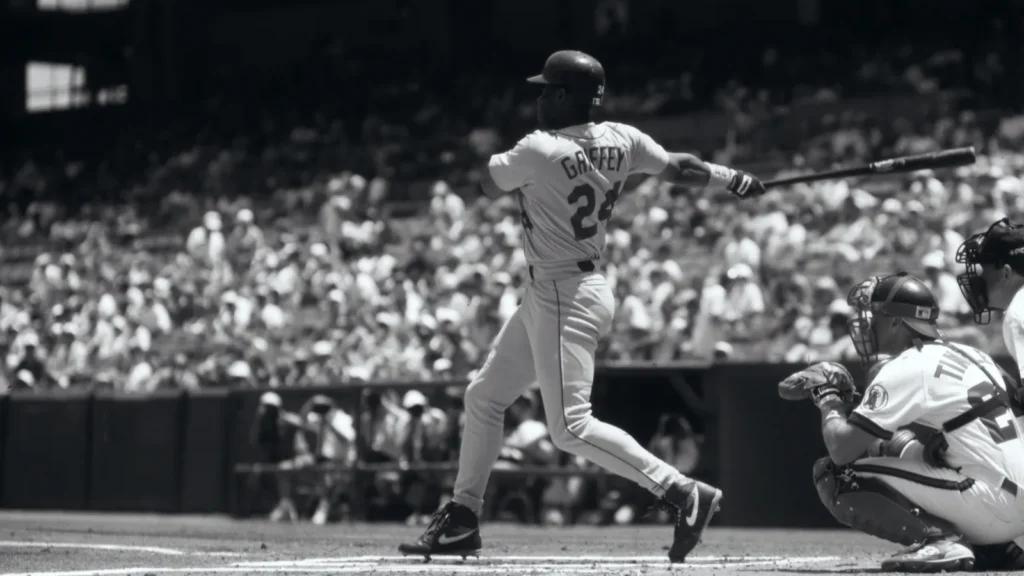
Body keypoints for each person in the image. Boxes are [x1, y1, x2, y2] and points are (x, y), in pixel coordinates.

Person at [399, 49, 765, 563]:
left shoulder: (539, 148)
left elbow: (484, 182)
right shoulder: (622, 138)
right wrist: (731, 177)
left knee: (570, 427)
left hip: (562, 294)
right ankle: (462, 516)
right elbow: (679, 168)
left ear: (564, 95)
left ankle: (681, 490)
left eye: (546, 90)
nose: (539, 99)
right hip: (564, 289)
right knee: (484, 396)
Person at [782, 272, 1024, 572]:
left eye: (876, 316)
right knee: (896, 447)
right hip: (1013, 506)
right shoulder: (974, 355)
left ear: (896, 322)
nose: (868, 325)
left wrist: (828, 398)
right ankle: (998, 550)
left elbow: (842, 449)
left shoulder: (910, 363)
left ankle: (942, 540)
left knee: (835, 475)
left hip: (992, 502)